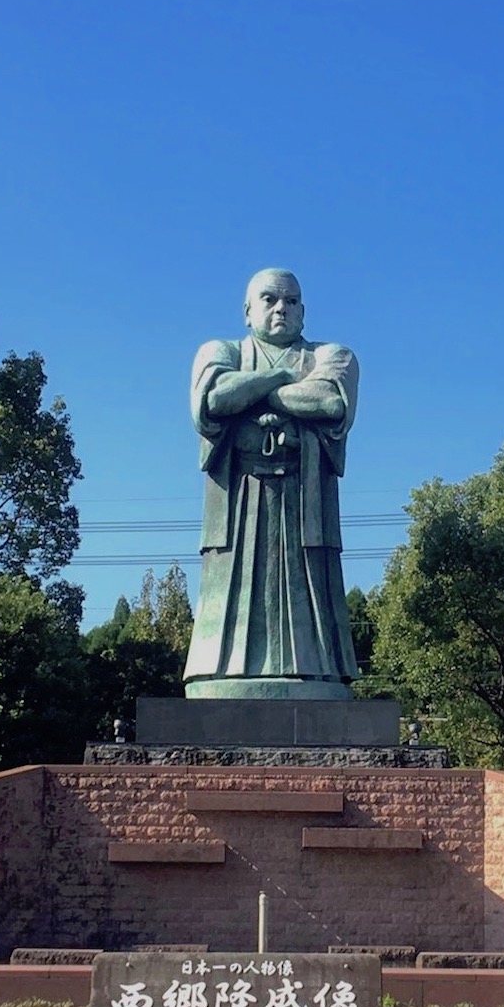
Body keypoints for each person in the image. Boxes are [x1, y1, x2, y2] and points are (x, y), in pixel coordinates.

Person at [183, 269, 360, 695]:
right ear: (247, 311)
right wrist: (281, 379)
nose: (282, 308)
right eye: (269, 299)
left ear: (304, 312)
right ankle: (217, 674)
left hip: (305, 501)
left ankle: (316, 676)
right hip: (239, 499)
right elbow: (213, 400)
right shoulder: (219, 350)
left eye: (292, 301)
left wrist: (255, 394)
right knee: (228, 599)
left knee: (312, 596)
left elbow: (329, 401)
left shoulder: (333, 355)